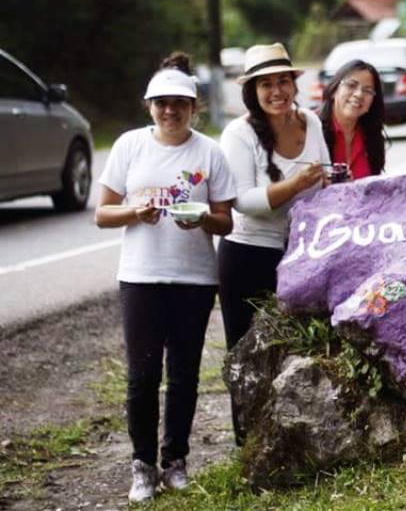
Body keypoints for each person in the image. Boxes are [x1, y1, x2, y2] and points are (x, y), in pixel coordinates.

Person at [95, 53, 235, 502]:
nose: (169, 110)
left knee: (184, 376)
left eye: (179, 102)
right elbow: (102, 213)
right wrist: (136, 212)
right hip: (140, 276)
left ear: (195, 108)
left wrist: (203, 222)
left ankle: (176, 461)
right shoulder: (129, 146)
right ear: (148, 105)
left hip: (194, 278)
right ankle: (142, 466)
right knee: (141, 376)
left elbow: (225, 221)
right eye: (161, 102)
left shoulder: (210, 152)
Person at [217, 42, 329, 444]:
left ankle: (294, 441)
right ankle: (248, 443)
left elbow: (325, 177)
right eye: (266, 84)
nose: (277, 90)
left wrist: (327, 182)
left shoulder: (311, 123)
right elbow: (242, 202)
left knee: (297, 345)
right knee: (247, 353)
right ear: (252, 90)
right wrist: (296, 183)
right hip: (247, 254)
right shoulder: (239, 133)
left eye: (284, 80)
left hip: (299, 252)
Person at [318, 59, 387, 179]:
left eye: (367, 90)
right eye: (351, 85)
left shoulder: (371, 135)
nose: (359, 94)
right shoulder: (311, 128)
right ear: (334, 89)